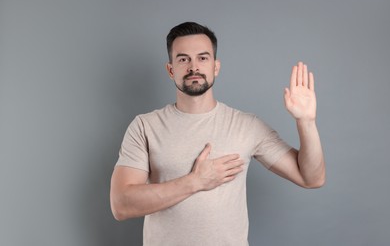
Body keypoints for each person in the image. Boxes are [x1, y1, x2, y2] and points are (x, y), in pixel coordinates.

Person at [110, 22, 325, 246]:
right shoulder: (145, 126)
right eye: (183, 59)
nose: (194, 67)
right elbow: (121, 205)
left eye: (203, 58)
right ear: (171, 69)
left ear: (216, 67)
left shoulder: (247, 125)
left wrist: (306, 122)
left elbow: (311, 178)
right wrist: (195, 181)